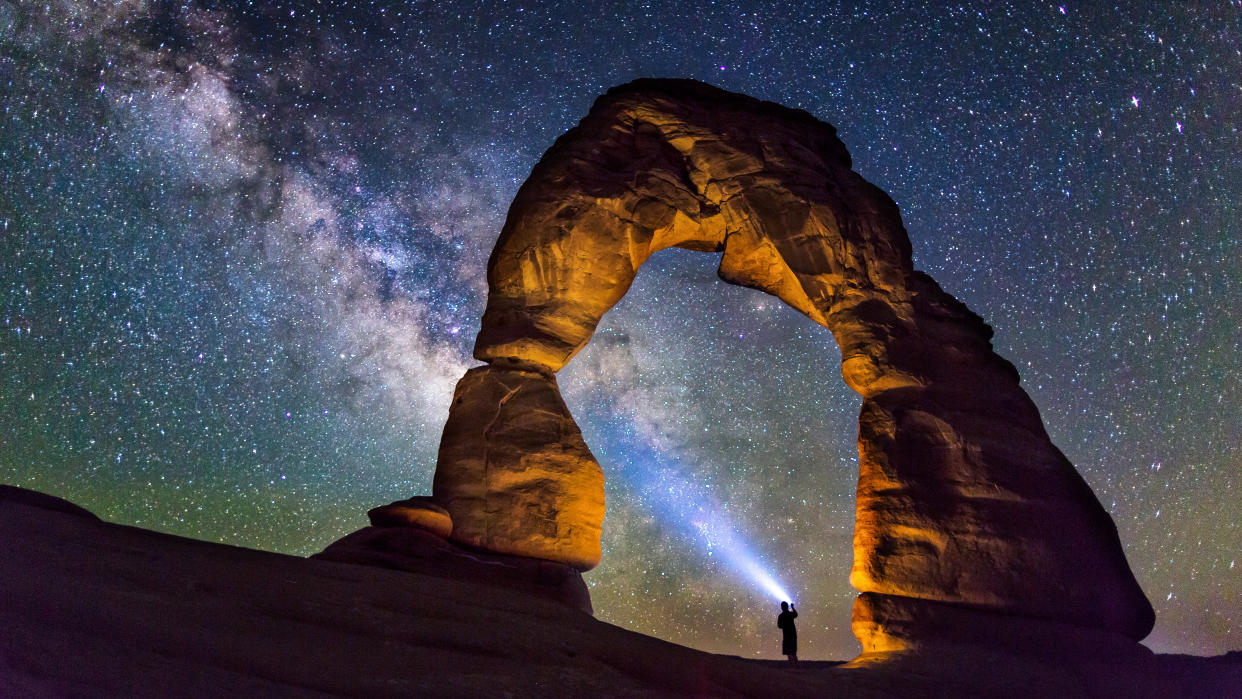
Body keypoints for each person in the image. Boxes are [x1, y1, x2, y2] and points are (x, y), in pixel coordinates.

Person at [777, 601, 798, 665]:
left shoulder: (781, 616)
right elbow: (796, 614)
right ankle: (796, 666)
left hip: (786, 636)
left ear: (782, 607)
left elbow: (779, 626)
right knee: (793, 652)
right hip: (793, 635)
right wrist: (792, 607)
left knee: (789, 652)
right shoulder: (790, 614)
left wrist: (784, 625)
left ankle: (792, 665)